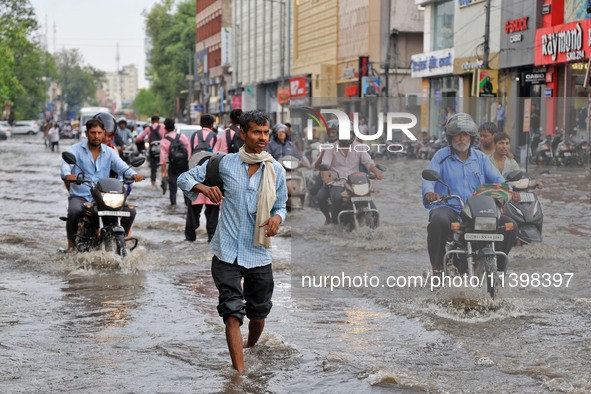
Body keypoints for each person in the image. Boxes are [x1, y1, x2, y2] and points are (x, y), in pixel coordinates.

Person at [178, 109, 287, 373]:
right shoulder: (224, 163)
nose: (262, 138)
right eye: (256, 132)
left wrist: (277, 219)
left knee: (259, 314)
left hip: (258, 253)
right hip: (225, 251)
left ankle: (250, 347)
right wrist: (204, 188)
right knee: (231, 312)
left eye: (265, 132)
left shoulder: (276, 170)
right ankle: (239, 375)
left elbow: (281, 205)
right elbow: (184, 178)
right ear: (242, 134)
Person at [422, 113, 519, 277]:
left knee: (510, 226)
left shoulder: (480, 158)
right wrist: (430, 193)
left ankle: (499, 271)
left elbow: (498, 179)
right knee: (438, 221)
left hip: (477, 208)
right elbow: (428, 179)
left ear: (471, 137)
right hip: (450, 206)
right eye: (458, 134)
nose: (461, 138)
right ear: (450, 136)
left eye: (465, 135)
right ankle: (437, 271)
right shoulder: (441, 156)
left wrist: (509, 190)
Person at [61, 115, 144, 251]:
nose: (96, 136)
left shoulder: (110, 152)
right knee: (74, 211)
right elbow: (66, 165)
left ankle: (124, 242)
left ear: (104, 133)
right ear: (86, 133)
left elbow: (122, 167)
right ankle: (70, 244)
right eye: (93, 133)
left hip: (102, 197)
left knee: (131, 211)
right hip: (81, 196)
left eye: (99, 133)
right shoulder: (75, 149)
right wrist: (68, 175)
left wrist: (133, 174)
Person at [320, 121, 384, 226]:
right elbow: (325, 165)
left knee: (370, 203)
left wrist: (377, 173)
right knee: (336, 198)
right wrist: (326, 178)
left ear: (352, 135)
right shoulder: (331, 148)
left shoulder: (359, 147)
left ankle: (376, 226)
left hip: (356, 183)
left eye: (349, 134)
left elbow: (369, 162)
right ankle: (336, 223)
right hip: (338, 183)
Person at [184, 114, 222, 242]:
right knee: (212, 211)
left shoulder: (194, 136)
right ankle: (211, 238)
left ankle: (190, 238)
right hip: (212, 179)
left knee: (193, 210)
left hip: (195, 178)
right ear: (212, 125)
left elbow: (190, 157)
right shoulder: (217, 137)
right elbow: (218, 158)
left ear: (200, 124)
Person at [313, 120, 339, 224]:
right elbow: (315, 166)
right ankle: (328, 218)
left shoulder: (347, 144)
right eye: (330, 132)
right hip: (329, 178)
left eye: (334, 132)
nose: (332, 135)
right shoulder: (325, 146)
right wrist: (323, 153)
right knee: (320, 196)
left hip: (346, 179)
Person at [160, 118, 190, 205]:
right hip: (184, 166)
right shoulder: (182, 137)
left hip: (173, 167)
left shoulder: (164, 141)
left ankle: (173, 205)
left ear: (165, 128)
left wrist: (164, 173)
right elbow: (188, 152)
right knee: (186, 188)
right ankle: (187, 206)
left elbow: (163, 159)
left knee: (173, 189)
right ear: (174, 127)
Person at [135, 115, 165, 186]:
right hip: (162, 151)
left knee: (153, 168)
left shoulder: (148, 128)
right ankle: (164, 180)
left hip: (153, 151)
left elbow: (140, 138)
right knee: (163, 167)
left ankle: (153, 183)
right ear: (158, 121)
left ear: (151, 121)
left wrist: (135, 141)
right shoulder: (163, 127)